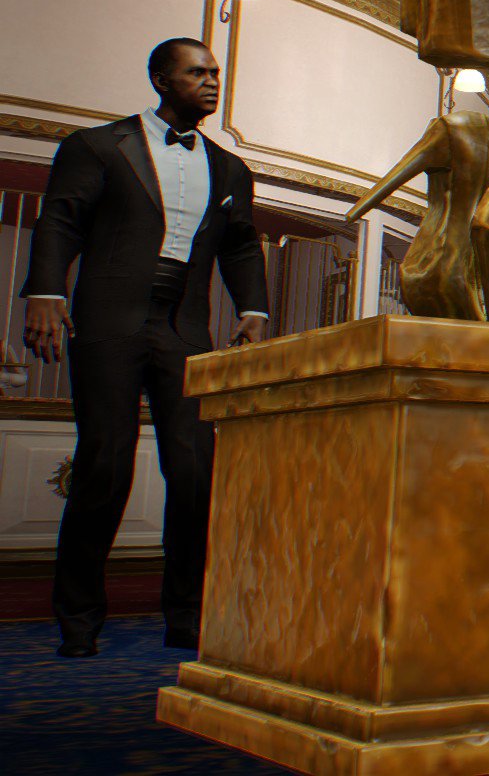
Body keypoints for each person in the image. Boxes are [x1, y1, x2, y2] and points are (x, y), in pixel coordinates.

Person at [21, 38, 271, 658]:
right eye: (197, 72)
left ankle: (185, 615)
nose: (212, 82)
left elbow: (241, 244)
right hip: (109, 323)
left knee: (195, 472)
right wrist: (45, 292)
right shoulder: (97, 146)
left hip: (184, 330)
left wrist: (255, 310)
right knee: (105, 466)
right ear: (161, 79)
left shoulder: (229, 168)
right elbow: (60, 220)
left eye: (216, 73)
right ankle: (79, 620)